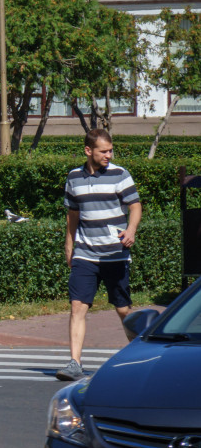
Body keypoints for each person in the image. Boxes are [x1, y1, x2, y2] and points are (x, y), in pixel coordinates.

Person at [57, 129, 142, 381]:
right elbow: (72, 214)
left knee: (123, 309)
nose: (109, 155)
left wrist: (131, 230)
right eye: (103, 151)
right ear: (88, 151)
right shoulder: (73, 177)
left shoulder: (120, 174)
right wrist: (69, 244)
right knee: (77, 306)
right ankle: (74, 363)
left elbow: (135, 206)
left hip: (115, 253)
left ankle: (140, 357)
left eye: (110, 150)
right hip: (85, 252)